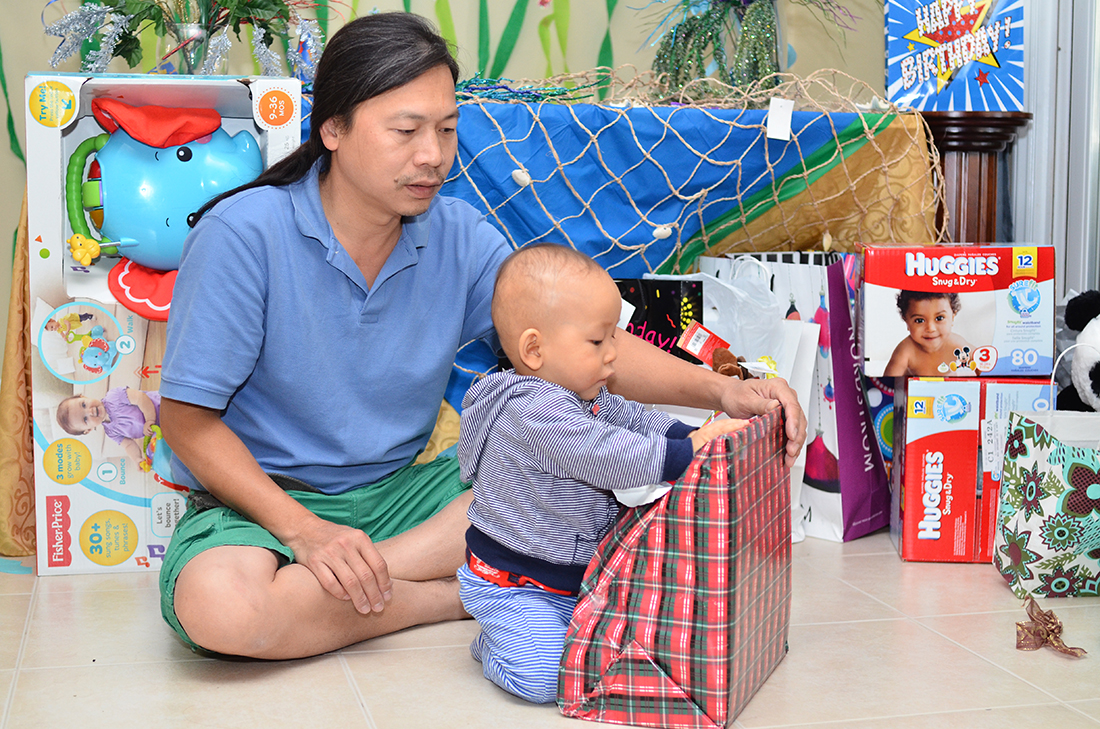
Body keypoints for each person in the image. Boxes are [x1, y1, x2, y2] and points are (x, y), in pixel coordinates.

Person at [157, 11, 806, 661]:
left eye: (446, 129)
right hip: (266, 506)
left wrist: (724, 391)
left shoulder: (459, 234)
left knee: (572, 488)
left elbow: (581, 344)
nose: (433, 155)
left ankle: (348, 585)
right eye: (406, 130)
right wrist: (305, 533)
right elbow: (188, 422)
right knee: (222, 604)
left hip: (409, 498)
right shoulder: (243, 235)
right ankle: (452, 594)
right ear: (332, 127)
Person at [457, 244, 748, 702]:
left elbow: (633, 419)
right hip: (514, 584)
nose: (613, 354)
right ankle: (493, 646)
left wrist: (691, 432)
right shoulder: (533, 413)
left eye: (614, 336)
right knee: (546, 678)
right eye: (598, 341)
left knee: (633, 644)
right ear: (534, 349)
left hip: (577, 575)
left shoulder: (582, 393)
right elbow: (606, 452)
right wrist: (687, 451)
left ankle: (541, 634)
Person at [56, 388, 160, 464]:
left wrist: (150, 419)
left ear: (83, 397)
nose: (90, 411)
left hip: (162, 405)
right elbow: (128, 445)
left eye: (84, 405)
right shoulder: (111, 432)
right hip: (159, 430)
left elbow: (140, 398)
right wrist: (137, 459)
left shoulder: (114, 397)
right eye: (85, 419)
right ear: (88, 429)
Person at [883, 290, 974, 377]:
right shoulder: (906, 351)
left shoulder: (959, 346)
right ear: (906, 321)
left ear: (952, 317)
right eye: (919, 320)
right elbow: (888, 382)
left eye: (939, 318)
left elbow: (984, 364)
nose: (931, 329)